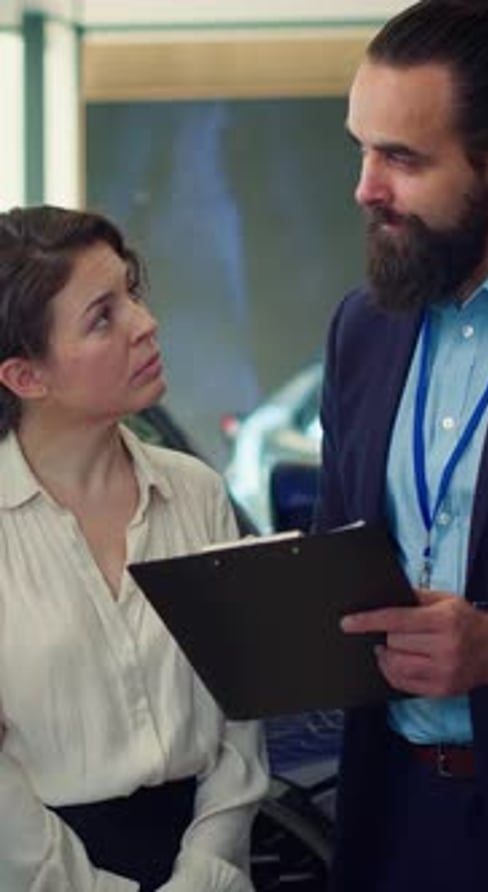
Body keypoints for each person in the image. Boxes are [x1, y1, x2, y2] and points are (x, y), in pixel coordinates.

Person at [0, 205, 268, 892]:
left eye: (133, 293)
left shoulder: (198, 493)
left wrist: (207, 870)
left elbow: (243, 707)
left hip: (208, 864)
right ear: (27, 377)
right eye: (102, 316)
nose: (145, 324)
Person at [314, 1, 488, 890]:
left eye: (403, 158)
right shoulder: (363, 328)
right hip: (393, 818)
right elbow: (338, 561)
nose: (365, 187)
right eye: (362, 147)